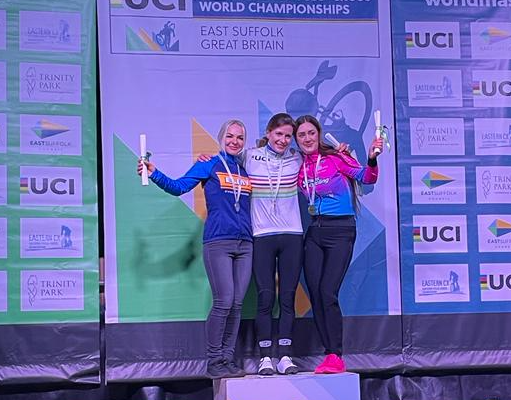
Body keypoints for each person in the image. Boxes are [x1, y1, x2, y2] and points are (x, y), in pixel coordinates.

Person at [137, 120, 253, 379]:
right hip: (218, 242)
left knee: (237, 304)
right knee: (224, 301)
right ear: (221, 138)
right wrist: (154, 173)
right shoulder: (208, 163)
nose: (235, 141)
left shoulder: (245, 169)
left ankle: (227, 359)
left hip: (246, 244)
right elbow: (178, 187)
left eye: (240, 138)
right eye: (230, 136)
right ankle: (214, 361)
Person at [293, 114, 383, 374]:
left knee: (327, 292)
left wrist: (372, 158)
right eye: (302, 135)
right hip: (315, 231)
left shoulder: (336, 157)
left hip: (341, 230)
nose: (307, 138)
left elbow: (367, 178)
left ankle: (336, 354)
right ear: (296, 140)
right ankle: (328, 354)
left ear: (318, 134)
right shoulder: (298, 165)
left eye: (311, 133)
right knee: (315, 293)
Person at [244, 113, 304, 376]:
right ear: (268, 132)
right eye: (278, 134)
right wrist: (204, 159)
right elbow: (223, 161)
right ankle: (265, 358)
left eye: (288, 136)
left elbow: (322, 156)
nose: (283, 140)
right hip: (262, 235)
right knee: (266, 297)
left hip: (292, 235)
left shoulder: (297, 158)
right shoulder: (249, 156)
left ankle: (286, 356)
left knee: (288, 298)